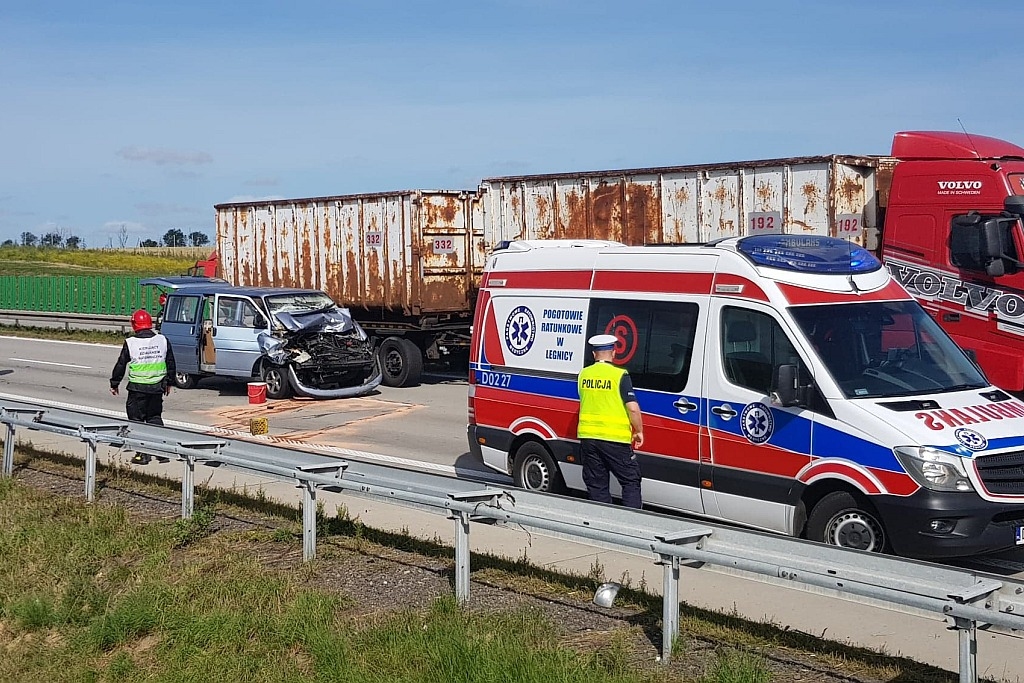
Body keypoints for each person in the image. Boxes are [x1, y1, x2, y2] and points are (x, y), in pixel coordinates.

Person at [576, 334, 644, 508]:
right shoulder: (619, 375)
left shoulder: (584, 374)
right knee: (630, 481)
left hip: (588, 438)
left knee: (597, 484)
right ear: (613, 353)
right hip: (615, 439)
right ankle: (631, 522)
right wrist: (638, 431)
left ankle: (603, 525)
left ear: (594, 354)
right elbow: (633, 408)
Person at [110, 309, 176, 465]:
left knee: (136, 421)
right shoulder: (162, 340)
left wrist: (114, 383)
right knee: (154, 417)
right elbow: (171, 363)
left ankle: (142, 454)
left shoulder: (131, 343)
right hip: (157, 387)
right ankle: (161, 452)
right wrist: (169, 382)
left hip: (137, 389)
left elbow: (121, 364)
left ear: (134, 325)